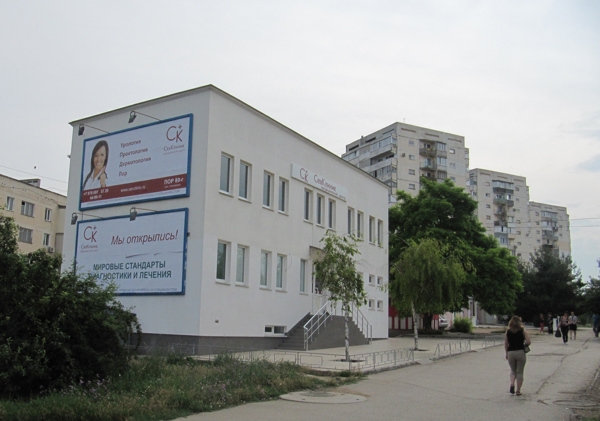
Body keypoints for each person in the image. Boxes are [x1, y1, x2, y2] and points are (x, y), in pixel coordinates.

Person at [504, 315, 531, 396]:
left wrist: (506, 353)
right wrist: (524, 345)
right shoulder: (522, 331)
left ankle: (512, 384)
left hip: (511, 352)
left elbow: (506, 343)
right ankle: (518, 390)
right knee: (520, 372)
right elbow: (529, 342)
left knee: (513, 370)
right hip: (520, 352)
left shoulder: (508, 332)